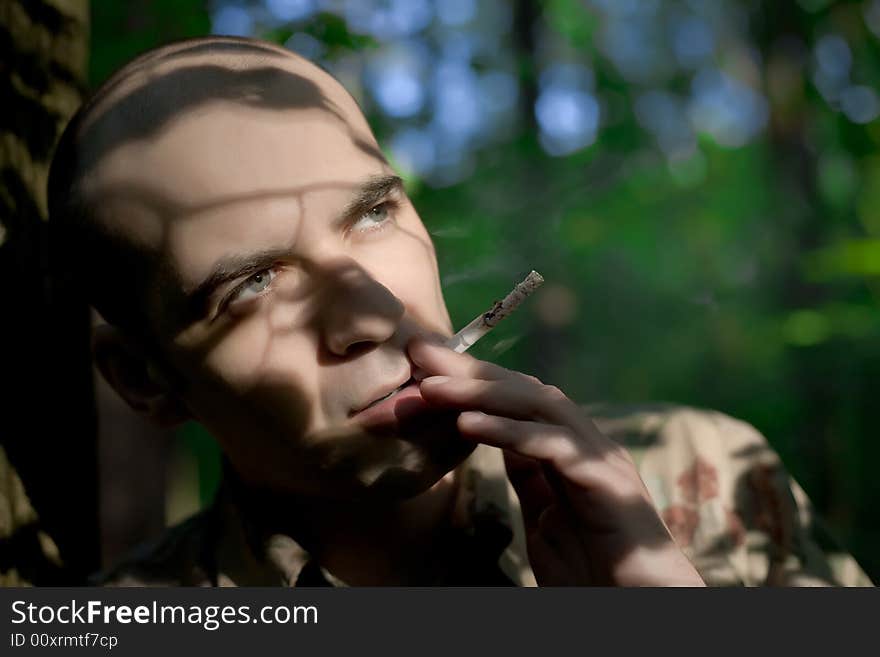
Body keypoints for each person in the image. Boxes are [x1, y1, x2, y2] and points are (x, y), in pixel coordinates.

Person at [47, 36, 871, 587]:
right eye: (254, 282)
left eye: (372, 215)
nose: (372, 310)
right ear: (145, 379)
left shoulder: (715, 480)